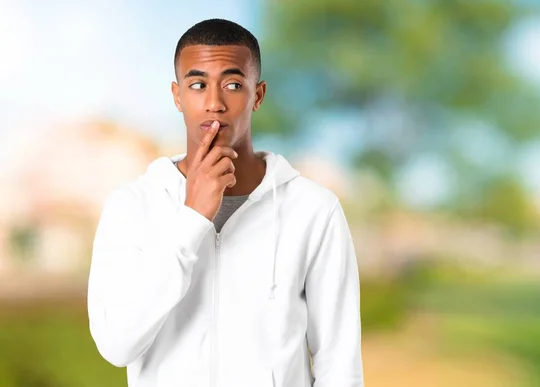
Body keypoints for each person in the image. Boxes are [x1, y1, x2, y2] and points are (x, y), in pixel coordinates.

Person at [87, 18, 364, 387]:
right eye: (198, 85)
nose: (214, 103)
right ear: (177, 96)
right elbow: (115, 346)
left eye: (233, 85)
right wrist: (191, 219)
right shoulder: (131, 207)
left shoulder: (314, 210)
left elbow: (339, 362)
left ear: (258, 95)